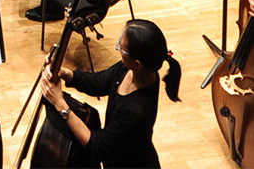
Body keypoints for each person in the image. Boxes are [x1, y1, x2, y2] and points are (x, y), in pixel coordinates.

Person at [39, 19, 181, 168]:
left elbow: (96, 148)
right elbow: (98, 82)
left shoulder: (137, 111)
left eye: (122, 47)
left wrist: (60, 105)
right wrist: (64, 73)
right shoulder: (132, 70)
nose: (118, 47)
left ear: (136, 63)